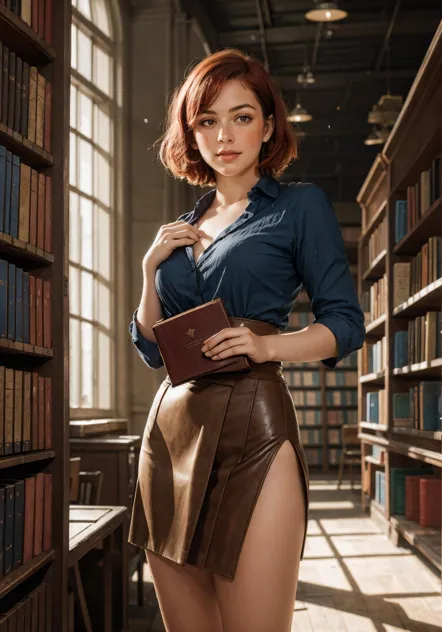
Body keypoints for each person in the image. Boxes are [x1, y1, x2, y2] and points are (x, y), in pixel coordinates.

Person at [128, 48, 365, 632]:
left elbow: (345, 324)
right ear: (192, 132)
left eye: (241, 116)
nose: (224, 135)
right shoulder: (181, 228)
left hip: (253, 426)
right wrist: (148, 271)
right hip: (170, 433)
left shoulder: (298, 207)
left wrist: (266, 347)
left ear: (268, 125)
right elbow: (154, 348)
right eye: (207, 120)